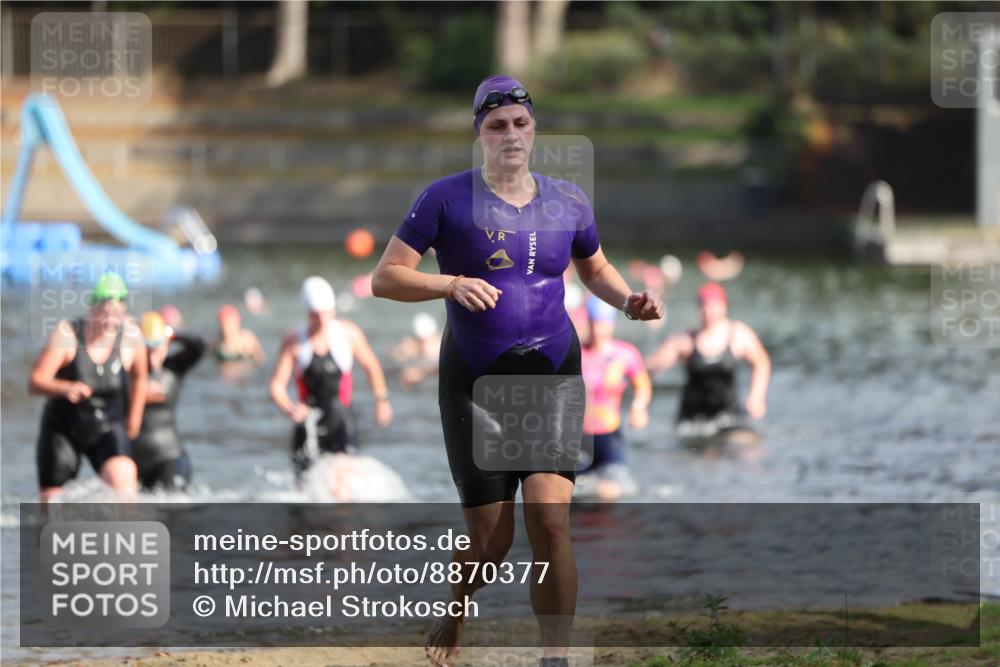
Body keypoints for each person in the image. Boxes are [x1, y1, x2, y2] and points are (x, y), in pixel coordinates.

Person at [370, 74, 664, 667]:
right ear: (479, 133)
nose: (510, 134)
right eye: (497, 125)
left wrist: (628, 298)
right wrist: (448, 283)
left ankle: (554, 656)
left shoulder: (570, 200)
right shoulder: (444, 199)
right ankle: (455, 611)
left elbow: (594, 269)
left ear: (535, 130)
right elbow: (386, 277)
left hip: (553, 367)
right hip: (474, 378)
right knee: (491, 542)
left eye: (521, 124)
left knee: (551, 524)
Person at [28, 272, 147, 501]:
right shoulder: (67, 335)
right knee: (51, 510)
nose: (109, 321)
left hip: (107, 426)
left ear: (123, 312)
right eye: (103, 313)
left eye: (115, 315)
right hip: (63, 429)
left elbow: (140, 378)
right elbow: (35, 381)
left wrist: (134, 419)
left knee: (125, 483)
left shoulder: (131, 337)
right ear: (92, 308)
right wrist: (64, 388)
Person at [269, 276, 393, 490]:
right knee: (304, 492)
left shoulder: (349, 334)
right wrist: (289, 408)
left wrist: (381, 401)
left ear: (333, 309)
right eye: (316, 315)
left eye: (326, 313)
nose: (322, 320)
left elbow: (371, 367)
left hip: (341, 423)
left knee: (340, 489)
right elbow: (276, 386)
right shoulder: (294, 341)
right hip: (307, 425)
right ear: (308, 313)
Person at [646, 282, 770, 444]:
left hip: (729, 418)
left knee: (752, 445)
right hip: (691, 424)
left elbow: (761, 362)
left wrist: (757, 396)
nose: (707, 311)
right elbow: (649, 369)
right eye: (703, 306)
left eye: (712, 306)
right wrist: (641, 402)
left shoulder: (738, 335)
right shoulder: (686, 340)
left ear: (724, 307)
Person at [577, 296, 651, 501]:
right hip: (577, 440)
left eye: (602, 324)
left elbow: (642, 385)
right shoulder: (575, 352)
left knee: (608, 492)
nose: (597, 330)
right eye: (593, 324)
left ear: (611, 324)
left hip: (609, 438)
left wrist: (639, 407)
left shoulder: (625, 354)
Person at [132, 310, 206, 491]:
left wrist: (171, 333)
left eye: (156, 349)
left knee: (170, 508)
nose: (152, 358)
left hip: (169, 457)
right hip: (134, 462)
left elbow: (199, 346)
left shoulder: (174, 368)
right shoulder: (128, 373)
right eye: (147, 350)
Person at [392, 312, 443, 390]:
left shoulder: (440, 345)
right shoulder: (410, 346)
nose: (424, 344)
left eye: (426, 340)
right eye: (420, 340)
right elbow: (393, 357)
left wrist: (422, 372)